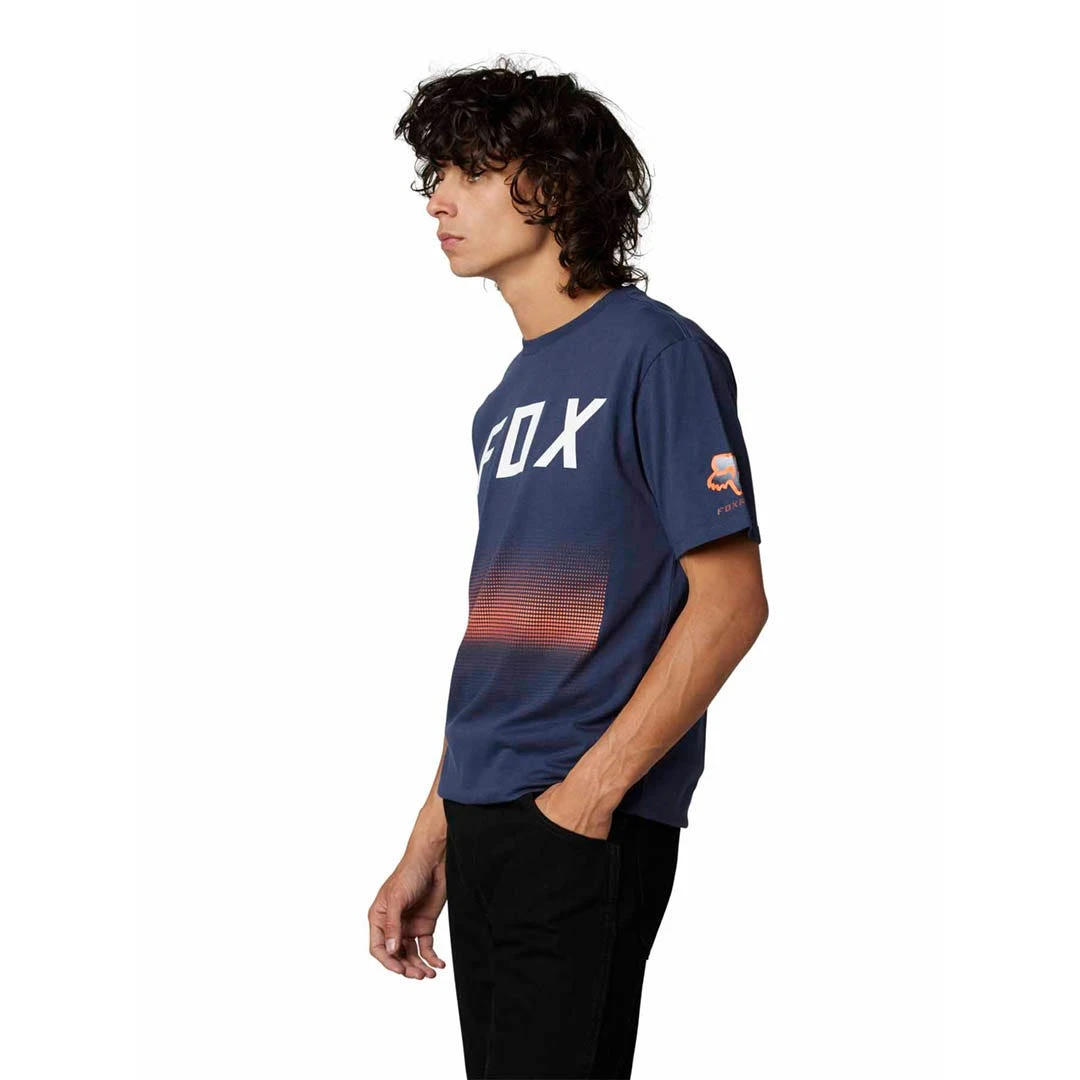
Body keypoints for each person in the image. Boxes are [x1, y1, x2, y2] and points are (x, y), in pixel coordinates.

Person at [369, 58, 769, 1079]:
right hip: (486, 815)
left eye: (468, 171)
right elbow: (505, 639)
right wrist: (432, 837)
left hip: (580, 818)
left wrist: (589, 798)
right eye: (435, 175)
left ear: (549, 185)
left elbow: (731, 601)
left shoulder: (657, 355)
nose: (438, 199)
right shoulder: (504, 404)